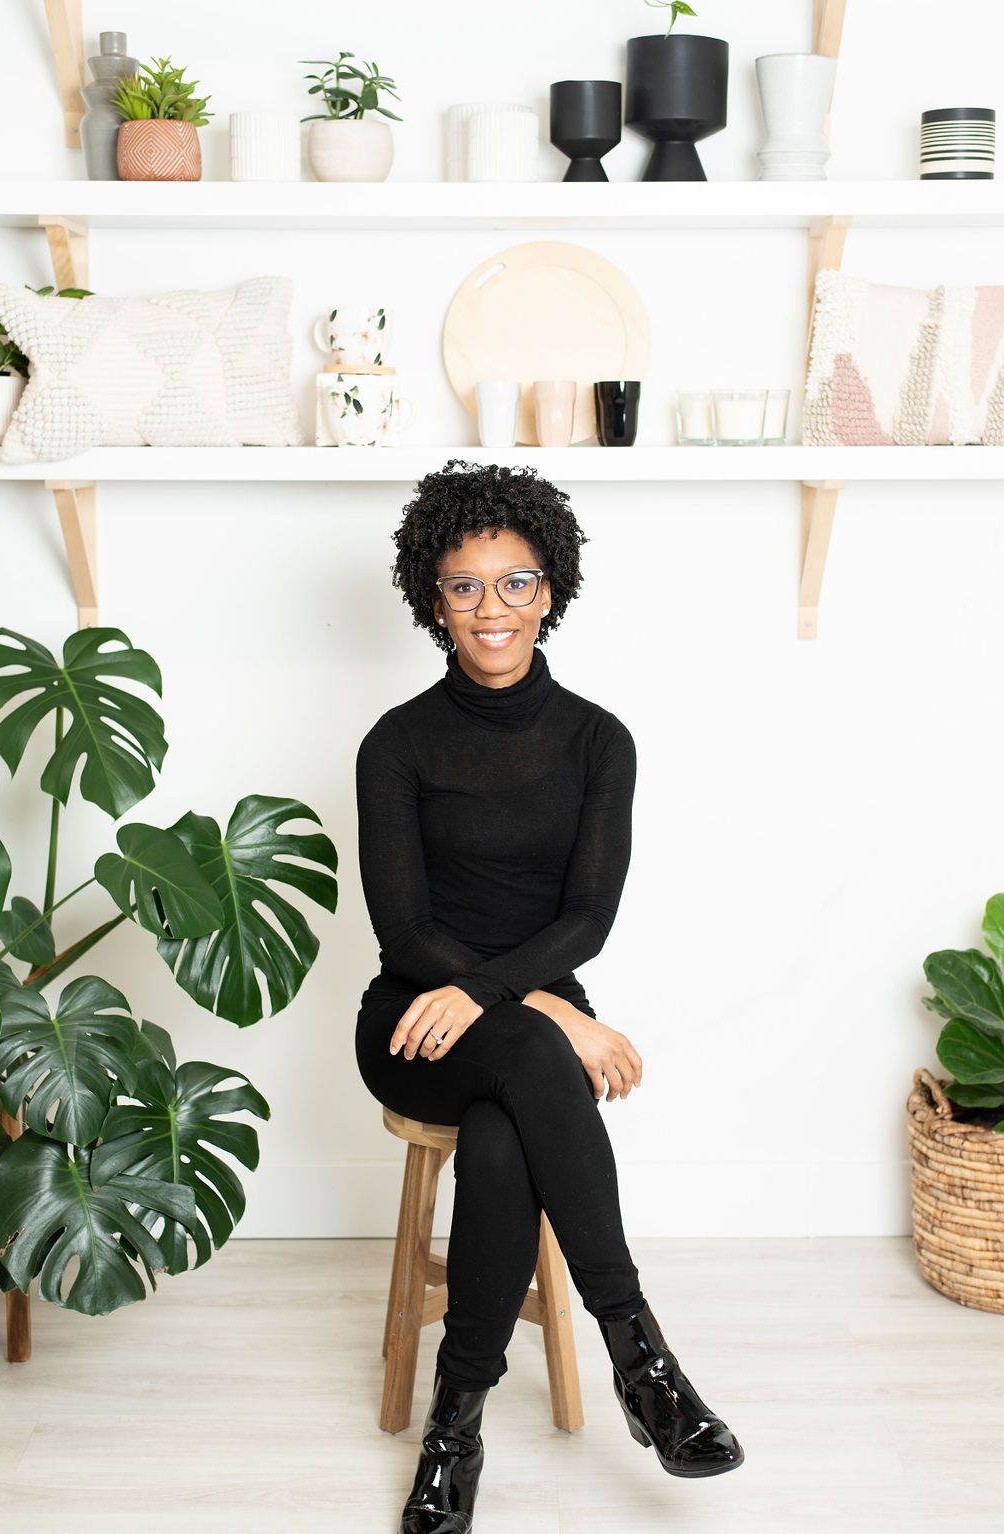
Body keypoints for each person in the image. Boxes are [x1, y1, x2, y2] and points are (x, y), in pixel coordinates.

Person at [355, 461, 744, 1533]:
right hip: (414, 1019)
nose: (492, 609)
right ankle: (641, 1358)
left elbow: (586, 919)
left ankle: (454, 1427)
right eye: (465, 586)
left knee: (498, 1137)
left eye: (515, 582)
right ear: (431, 600)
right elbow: (405, 931)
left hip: (515, 1024)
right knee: (530, 1056)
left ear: (551, 590)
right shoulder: (395, 742)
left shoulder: (594, 741)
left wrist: (531, 1004)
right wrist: (551, 1013)